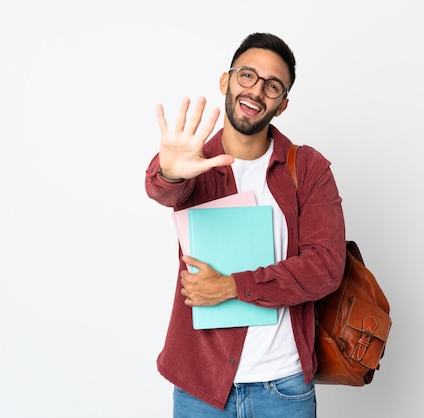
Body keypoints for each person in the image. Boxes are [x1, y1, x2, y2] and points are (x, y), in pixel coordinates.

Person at [145, 32, 346, 417]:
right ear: (226, 80)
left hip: (283, 387)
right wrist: (168, 173)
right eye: (247, 76)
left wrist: (231, 287)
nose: (256, 91)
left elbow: (325, 268)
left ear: (283, 104)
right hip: (200, 386)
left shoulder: (308, 168)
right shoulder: (195, 160)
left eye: (272, 86)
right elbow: (164, 191)